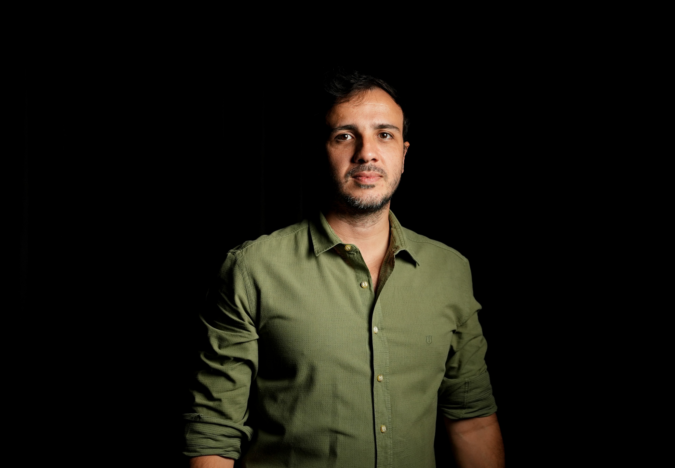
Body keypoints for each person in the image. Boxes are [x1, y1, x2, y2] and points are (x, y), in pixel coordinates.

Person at [184, 71, 504, 467]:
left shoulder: (449, 271)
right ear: (320, 151)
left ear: (404, 154)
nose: (367, 153)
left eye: (384, 135)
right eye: (345, 135)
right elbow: (213, 432)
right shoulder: (252, 270)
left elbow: (472, 421)